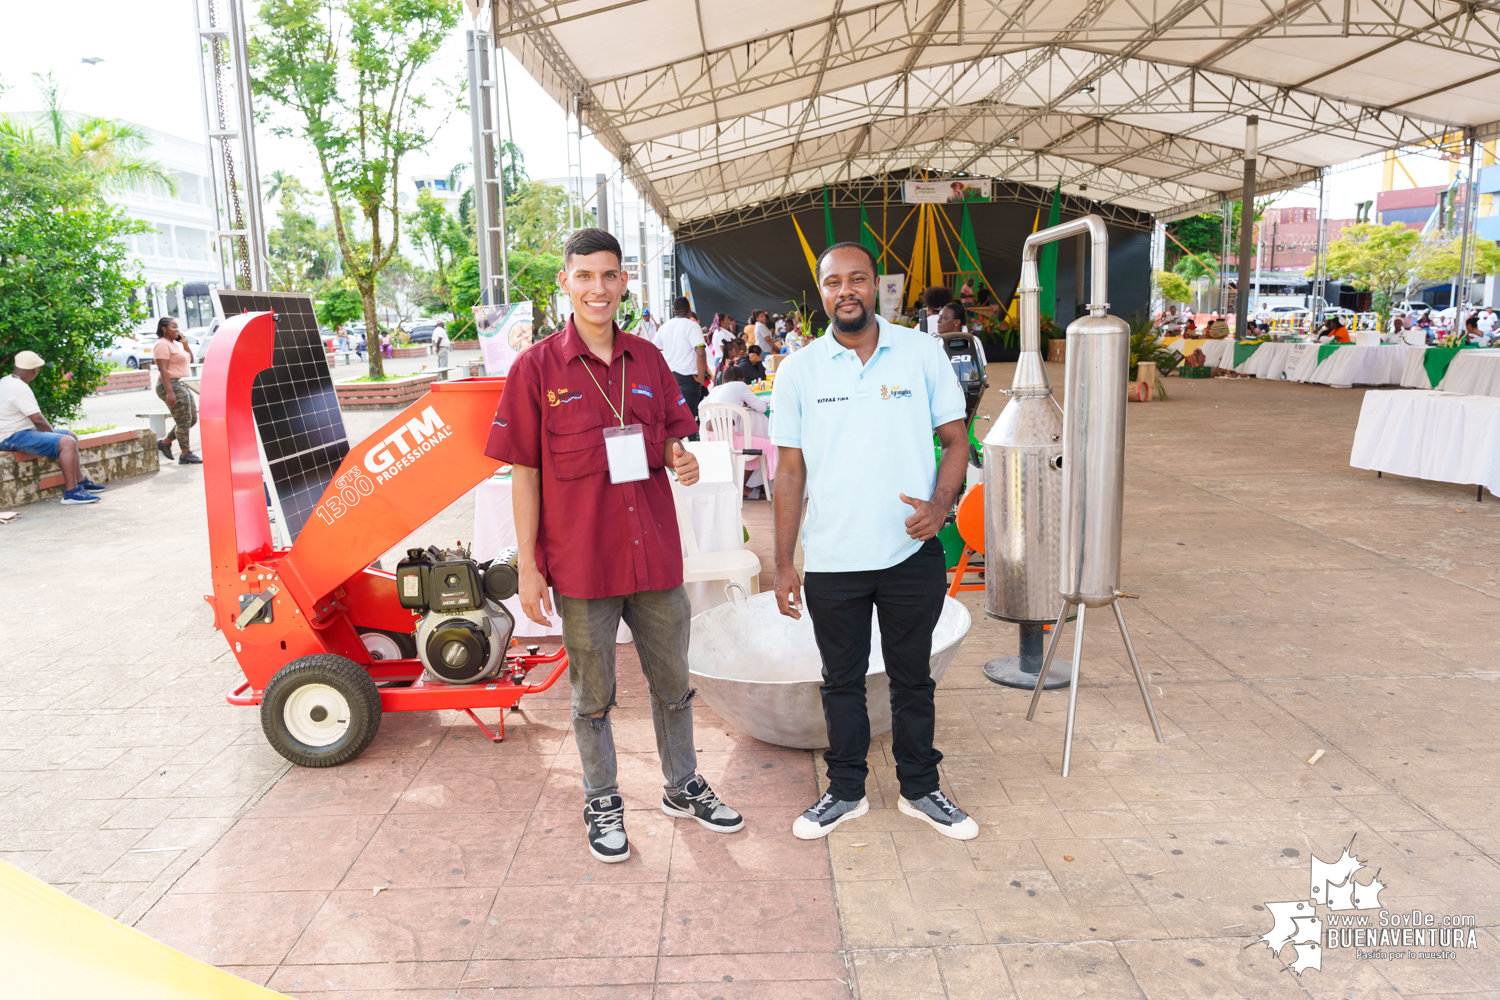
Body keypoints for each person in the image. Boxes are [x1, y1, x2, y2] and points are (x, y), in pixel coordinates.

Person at [484, 228, 743, 863]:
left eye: (608, 276)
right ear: (565, 284)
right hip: (582, 564)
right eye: (584, 277)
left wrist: (679, 458)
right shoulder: (535, 369)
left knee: (672, 681)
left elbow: (672, 441)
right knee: (591, 693)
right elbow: (525, 473)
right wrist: (528, 569)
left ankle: (682, 784)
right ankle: (601, 796)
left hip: (653, 555)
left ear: (624, 282)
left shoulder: (650, 361)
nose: (597, 288)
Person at [771, 241, 976, 842]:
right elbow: (789, 471)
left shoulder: (920, 352)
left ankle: (920, 788)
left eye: (857, 279)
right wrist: (785, 562)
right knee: (841, 681)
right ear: (822, 290)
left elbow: (957, 440)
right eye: (834, 282)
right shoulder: (800, 369)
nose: (846, 291)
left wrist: (941, 507)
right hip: (834, 558)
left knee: (913, 677)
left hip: (911, 552)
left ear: (878, 286)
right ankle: (845, 791)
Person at [0, 351, 105, 504]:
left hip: (18, 432)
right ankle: (71, 493)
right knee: (67, 442)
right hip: (12, 437)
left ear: (16, 365)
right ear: (35, 370)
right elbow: (39, 421)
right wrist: (55, 438)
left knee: (71, 435)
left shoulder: (6, 380)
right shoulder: (20, 389)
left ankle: (80, 481)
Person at [655, 296, 711, 429]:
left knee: (673, 421)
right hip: (688, 379)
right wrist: (701, 377)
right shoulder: (692, 325)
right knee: (688, 421)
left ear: (674, 311)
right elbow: (701, 352)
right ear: (689, 311)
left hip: (669, 379)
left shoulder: (665, 326)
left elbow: (654, 349)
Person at [153, 317, 201, 464]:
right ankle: (185, 454)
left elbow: (190, 359)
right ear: (163, 328)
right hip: (171, 384)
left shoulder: (175, 344)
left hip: (181, 383)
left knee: (192, 419)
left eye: (177, 328)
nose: (177, 331)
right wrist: (170, 392)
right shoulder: (161, 345)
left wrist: (185, 344)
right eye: (173, 328)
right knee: (183, 421)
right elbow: (163, 369)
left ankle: (166, 442)